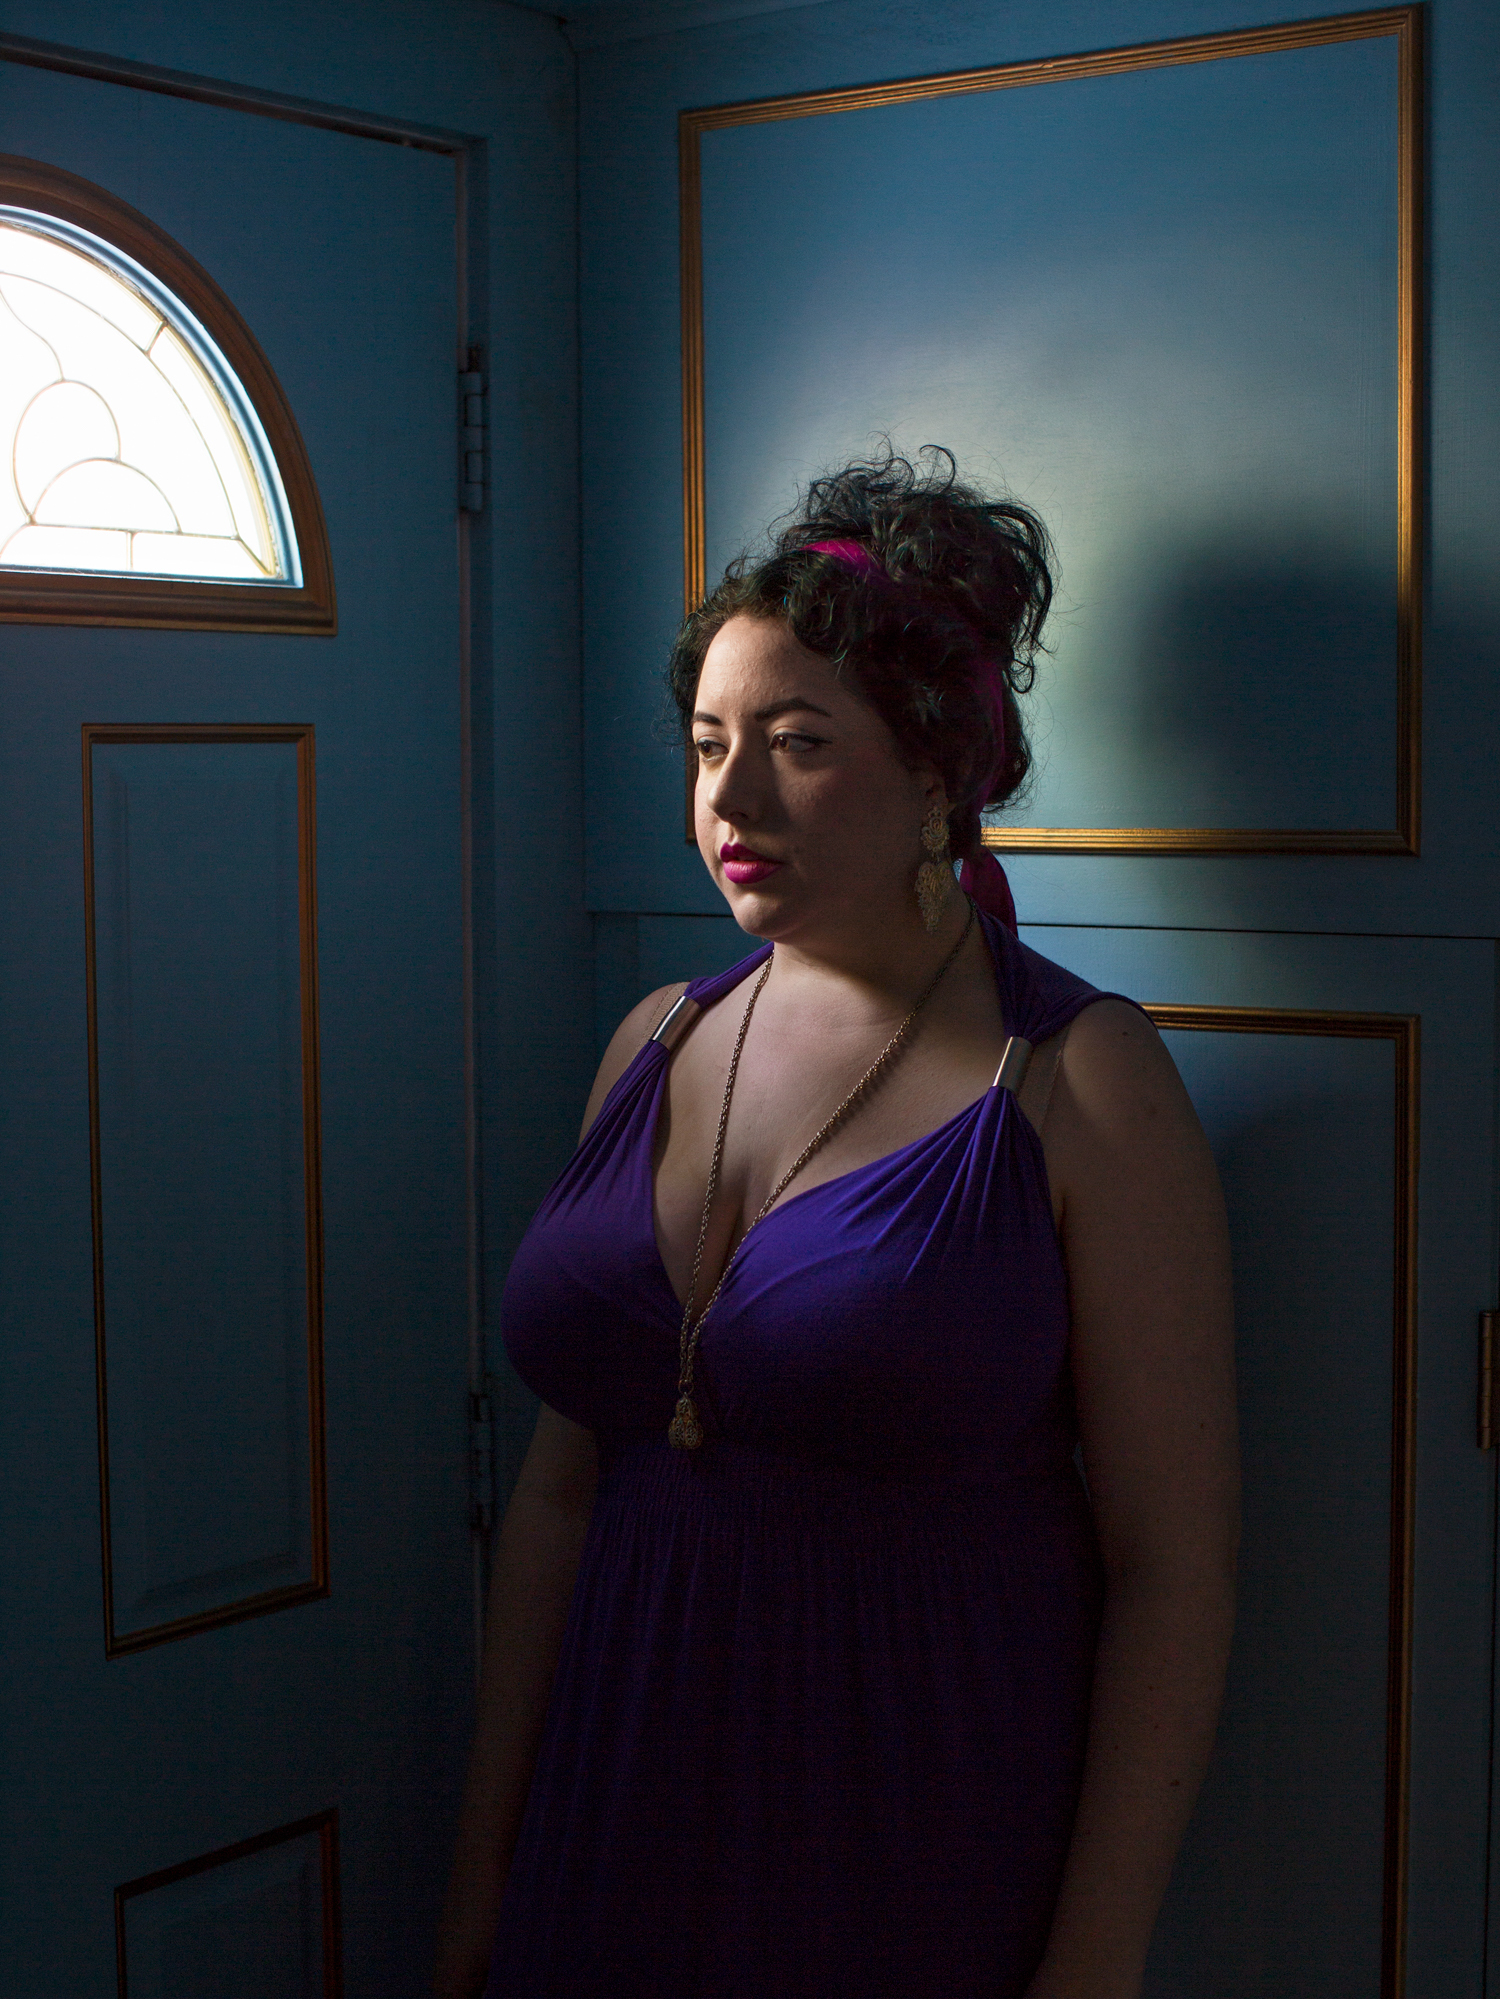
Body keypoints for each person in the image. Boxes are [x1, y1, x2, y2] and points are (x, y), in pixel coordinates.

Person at [433, 450, 1238, 1999]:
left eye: (798, 744)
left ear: (939, 771)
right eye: (708, 744)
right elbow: (557, 1498)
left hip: (908, 1829)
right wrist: (485, 1872)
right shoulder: (655, 1036)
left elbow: (1174, 1567)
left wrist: (1094, 1961)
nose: (730, 799)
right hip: (613, 1813)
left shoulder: (1078, 1079)